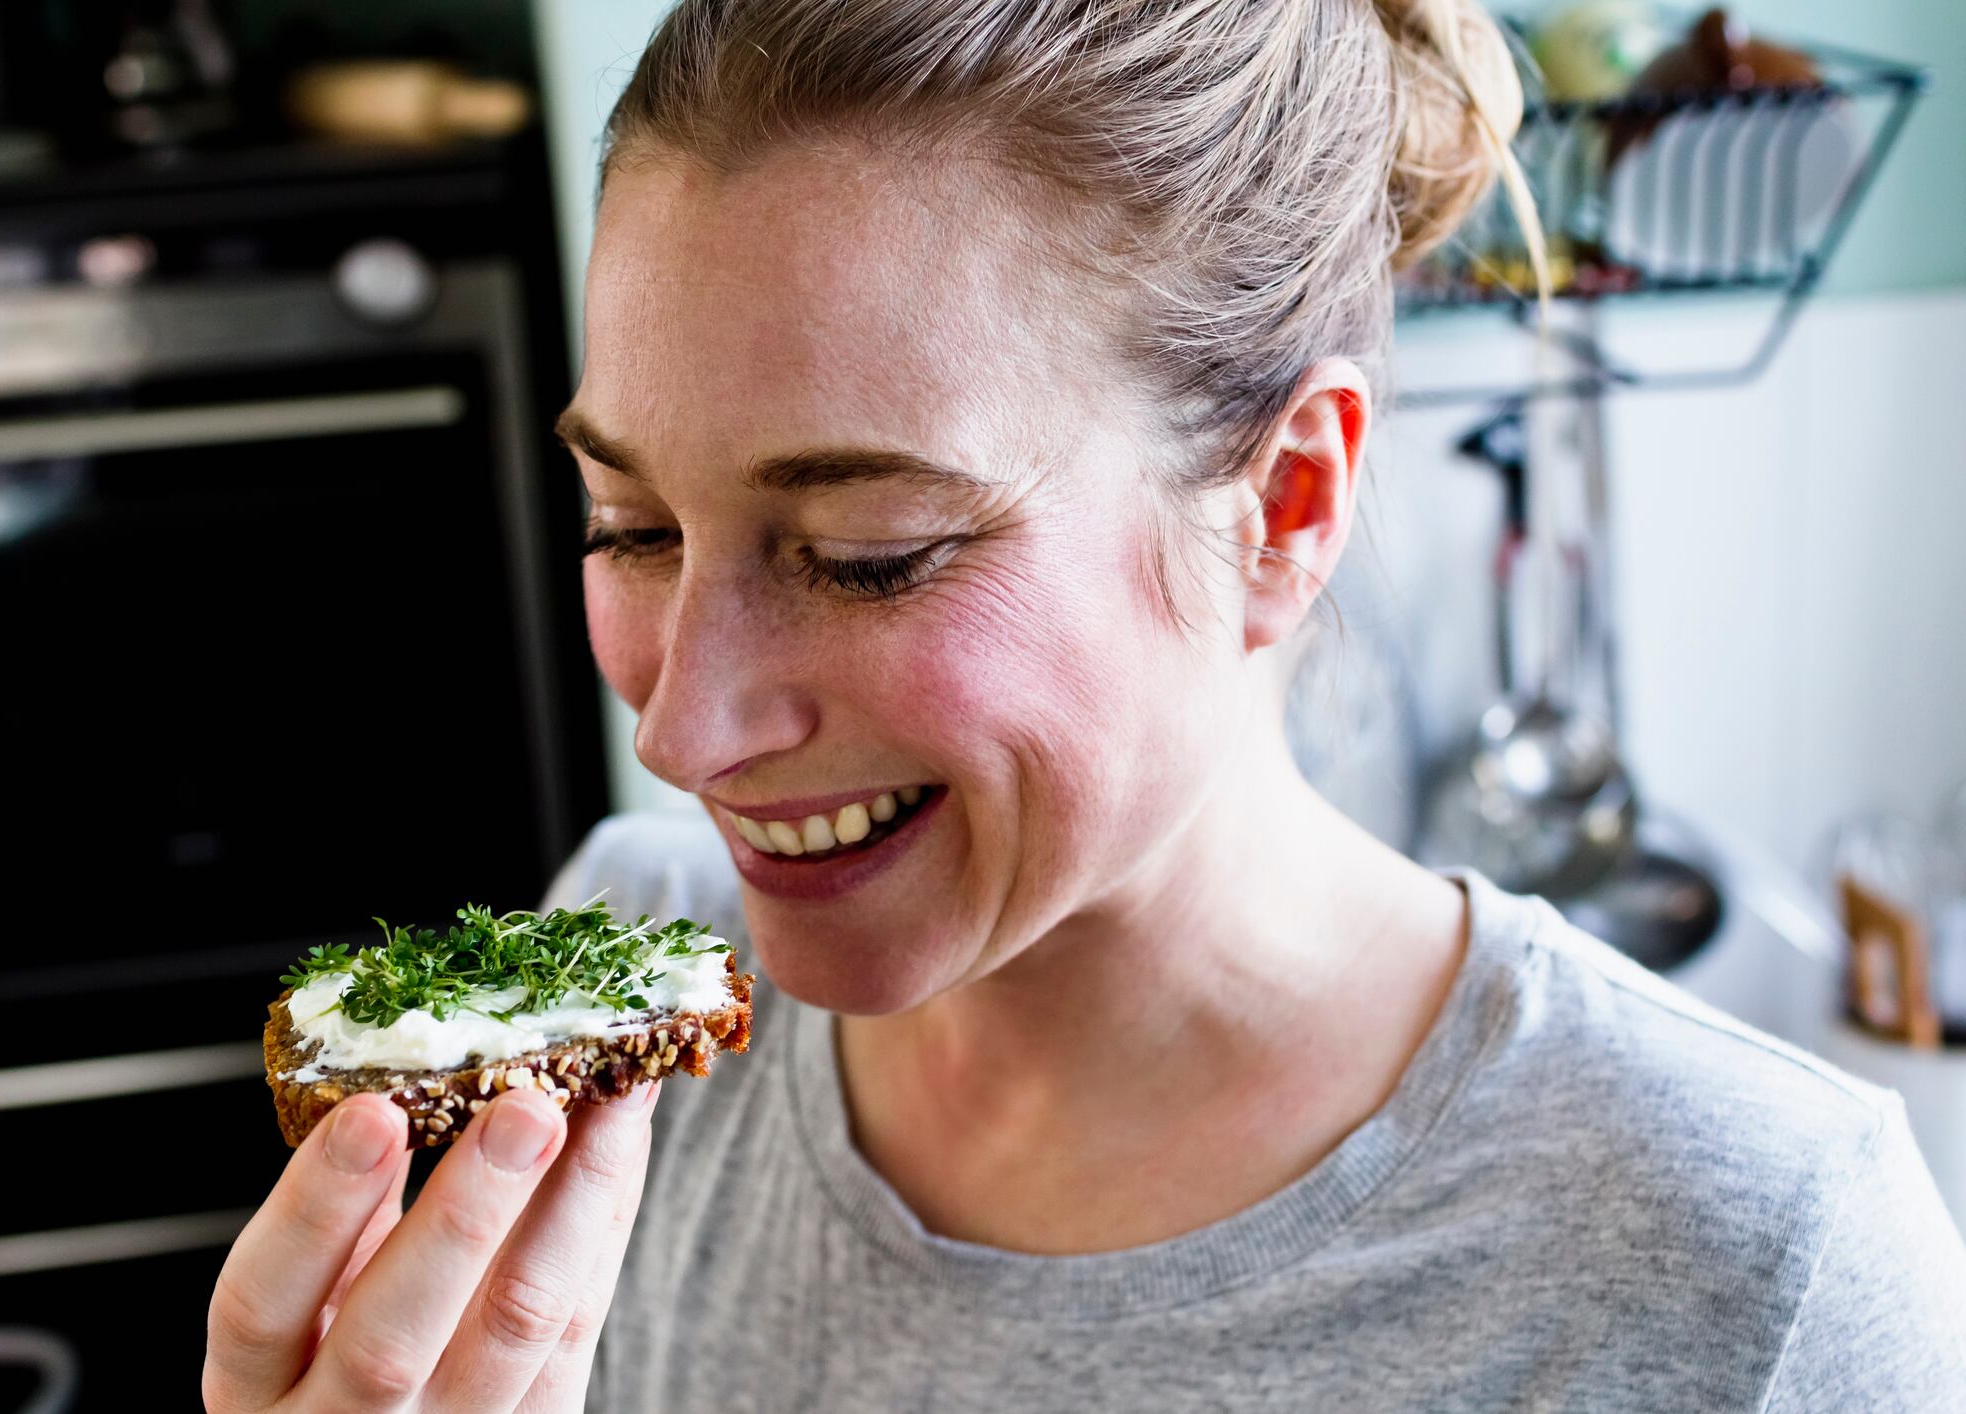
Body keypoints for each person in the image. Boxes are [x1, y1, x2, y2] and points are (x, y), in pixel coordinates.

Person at [203, 0, 1966, 1409]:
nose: (683, 730)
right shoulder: (621, 985)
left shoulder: (1751, 1264)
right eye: (633, 527)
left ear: (1280, 506)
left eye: (867, 551)